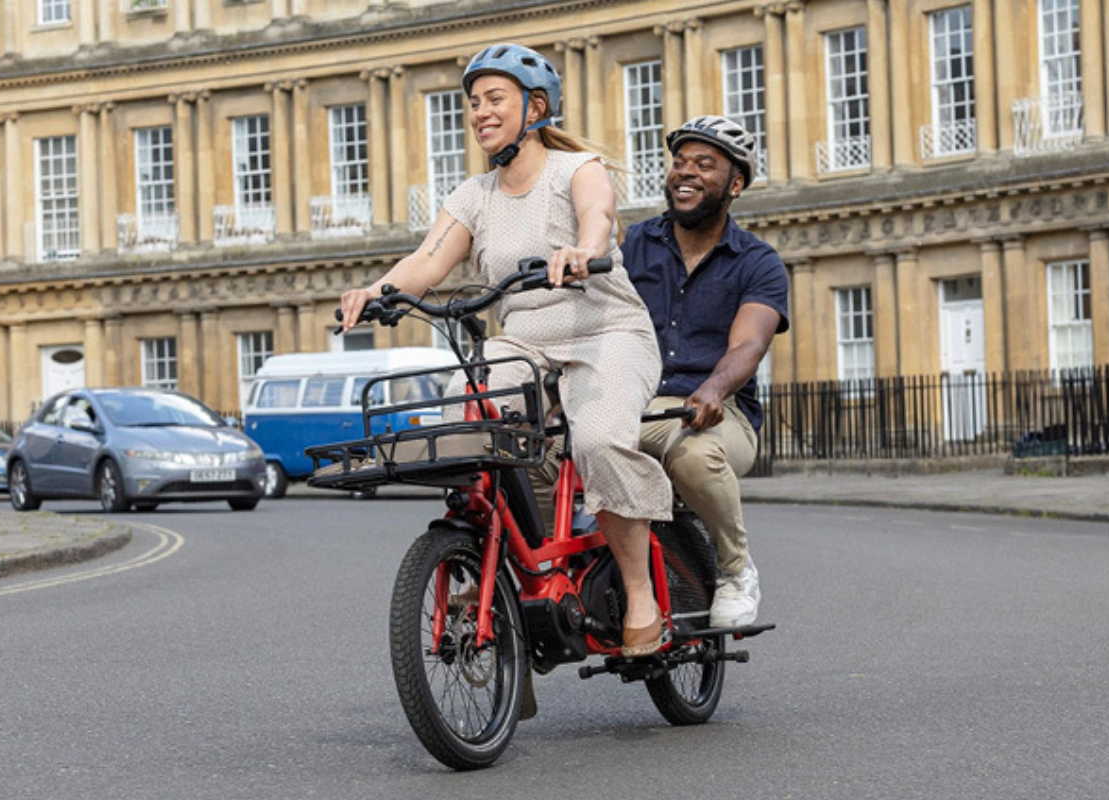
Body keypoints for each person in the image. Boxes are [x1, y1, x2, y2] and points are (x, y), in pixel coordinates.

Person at [338, 44, 674, 658]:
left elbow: (597, 214)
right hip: (524, 340)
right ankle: (488, 571)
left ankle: (639, 592)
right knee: (462, 418)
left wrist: (582, 249)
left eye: (495, 99)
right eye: (473, 103)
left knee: (599, 440)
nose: (480, 113)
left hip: (605, 333)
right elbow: (428, 260)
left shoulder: (577, 169)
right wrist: (379, 290)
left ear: (535, 106)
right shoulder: (474, 194)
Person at [623, 115, 790, 628]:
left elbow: (749, 344)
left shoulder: (757, 262)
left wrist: (714, 388)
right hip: (637, 404)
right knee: (546, 452)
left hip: (720, 414)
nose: (685, 173)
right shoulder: (633, 245)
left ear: (735, 184)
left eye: (704, 164)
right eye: (679, 162)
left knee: (693, 456)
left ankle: (736, 570)